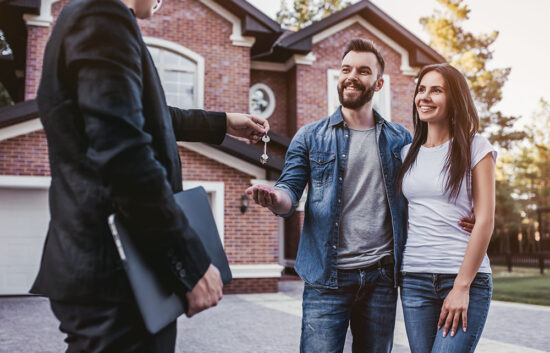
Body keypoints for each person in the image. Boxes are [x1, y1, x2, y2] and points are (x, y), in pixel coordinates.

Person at [29, 0, 268, 351]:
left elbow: (146, 116)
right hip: (116, 278)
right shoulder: (101, 16)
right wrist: (191, 263)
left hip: (116, 279)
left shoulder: (94, 17)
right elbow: (125, 156)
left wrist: (223, 122)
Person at [397, 63, 496, 353]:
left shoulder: (476, 147)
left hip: (464, 277)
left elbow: (486, 220)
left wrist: (462, 286)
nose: (424, 97)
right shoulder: (406, 153)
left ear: (454, 99)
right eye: (421, 89)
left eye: (436, 90)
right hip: (414, 278)